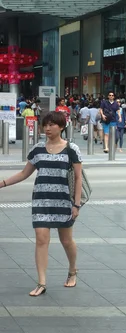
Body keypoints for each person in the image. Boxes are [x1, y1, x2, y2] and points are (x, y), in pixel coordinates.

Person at [0, 111, 82, 296]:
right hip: (41, 201)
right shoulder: (37, 149)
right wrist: (3, 183)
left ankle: (72, 270)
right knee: (41, 239)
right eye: (45, 125)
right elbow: (24, 173)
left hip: (63, 202)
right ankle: (42, 282)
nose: (47, 128)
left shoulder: (71, 149)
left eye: (52, 125)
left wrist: (76, 205)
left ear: (61, 127)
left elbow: (78, 179)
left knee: (66, 240)